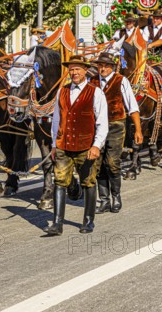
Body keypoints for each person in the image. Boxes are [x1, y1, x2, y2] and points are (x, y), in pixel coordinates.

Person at [47, 55, 109, 236]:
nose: (74, 72)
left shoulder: (95, 92)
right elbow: (56, 120)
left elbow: (102, 122)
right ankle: (57, 223)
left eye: (77, 69)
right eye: (71, 69)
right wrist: (53, 144)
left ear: (85, 71)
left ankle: (88, 221)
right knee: (60, 181)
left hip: (85, 145)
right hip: (63, 145)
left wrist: (97, 145)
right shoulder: (62, 91)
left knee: (88, 181)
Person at [91, 52, 143, 214]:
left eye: (106, 65)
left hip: (115, 125)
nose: (103, 68)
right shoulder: (91, 82)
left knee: (112, 163)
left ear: (112, 67)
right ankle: (104, 200)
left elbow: (132, 107)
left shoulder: (121, 80)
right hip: (97, 127)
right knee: (97, 164)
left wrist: (138, 130)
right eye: (100, 65)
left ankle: (116, 197)